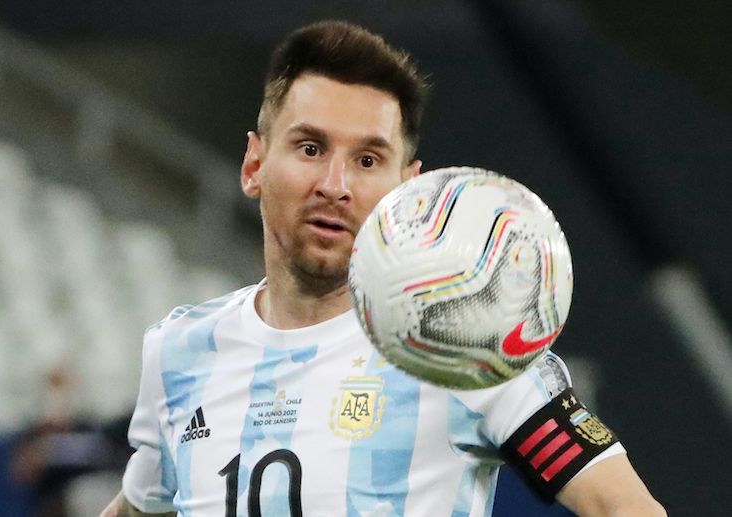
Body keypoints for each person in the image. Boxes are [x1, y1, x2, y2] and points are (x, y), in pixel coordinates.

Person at [101, 20, 666, 517]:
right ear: (254, 164)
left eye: (367, 159)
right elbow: (139, 507)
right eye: (310, 148)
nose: (335, 185)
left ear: (407, 190)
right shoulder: (179, 352)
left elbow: (625, 506)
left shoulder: (465, 345)